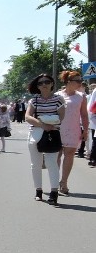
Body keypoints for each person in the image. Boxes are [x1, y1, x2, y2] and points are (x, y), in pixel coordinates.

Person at [25, 73, 65, 205]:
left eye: (47, 82)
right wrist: (43, 124)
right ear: (38, 86)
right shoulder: (34, 100)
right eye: (41, 83)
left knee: (51, 163)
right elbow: (27, 117)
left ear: (52, 84)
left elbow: (61, 117)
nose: (44, 85)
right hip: (35, 134)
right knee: (35, 164)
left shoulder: (59, 99)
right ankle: (38, 190)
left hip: (52, 134)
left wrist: (50, 125)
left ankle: (54, 192)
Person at [56, 70, 88, 195]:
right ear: (68, 82)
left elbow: (84, 115)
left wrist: (85, 130)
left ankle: (64, 182)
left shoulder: (81, 96)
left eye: (81, 81)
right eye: (78, 81)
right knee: (56, 155)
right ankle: (55, 180)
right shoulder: (58, 95)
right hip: (58, 129)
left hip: (73, 129)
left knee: (69, 155)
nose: (80, 83)